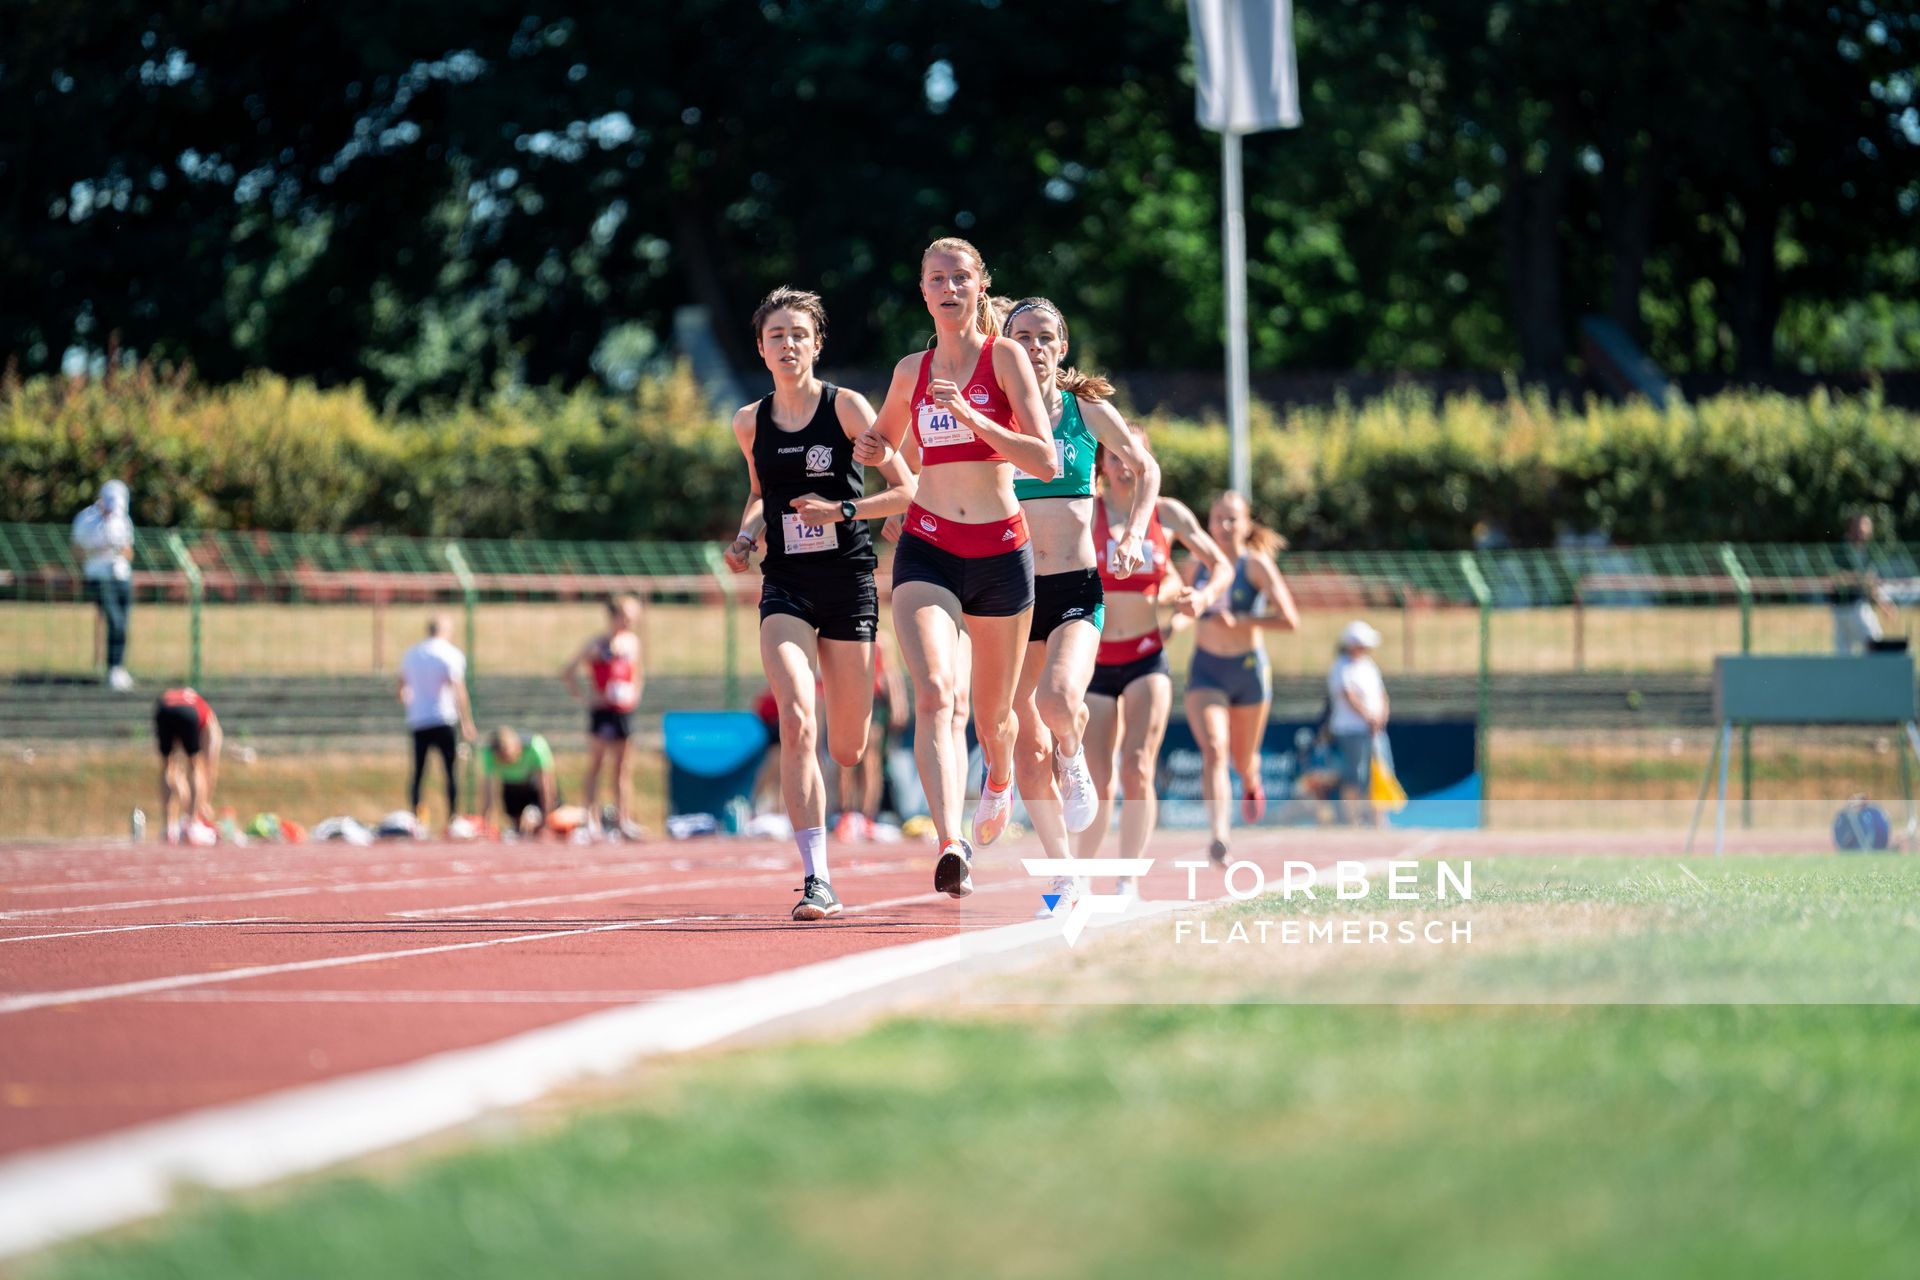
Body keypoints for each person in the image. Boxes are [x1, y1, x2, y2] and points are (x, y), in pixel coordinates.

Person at [854, 237, 1055, 899]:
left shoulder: (1005, 359)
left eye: (960, 277)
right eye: (935, 278)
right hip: (929, 547)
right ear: (923, 292)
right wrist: (880, 458)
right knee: (939, 694)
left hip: (1000, 552)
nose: (947, 287)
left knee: (997, 717)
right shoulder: (911, 369)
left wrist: (971, 415)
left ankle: (998, 778)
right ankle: (951, 843)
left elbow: (1044, 461)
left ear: (978, 287)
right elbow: (880, 439)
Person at [722, 285, 915, 919]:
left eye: (798, 334)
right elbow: (760, 493)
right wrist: (750, 532)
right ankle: (817, 877)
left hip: (850, 581)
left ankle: (840, 811)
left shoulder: (849, 409)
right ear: (761, 347)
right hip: (786, 586)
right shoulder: (749, 421)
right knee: (798, 718)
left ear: (816, 343)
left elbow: (907, 490)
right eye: (776, 335)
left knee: (849, 745)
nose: (787, 345)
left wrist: (843, 510)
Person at [1001, 297, 1161, 914]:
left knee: (1058, 701)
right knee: (1024, 744)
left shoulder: (1084, 410)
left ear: (1061, 347)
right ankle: (1064, 872)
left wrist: (1131, 534)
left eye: (1046, 337)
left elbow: (1144, 468)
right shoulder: (995, 412)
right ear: (1008, 344)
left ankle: (1076, 759)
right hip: (1009, 593)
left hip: (1073, 587)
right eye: (1023, 337)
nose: (1035, 347)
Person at [1073, 426, 1233, 897]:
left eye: (1135, 455)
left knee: (1138, 766)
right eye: (1116, 455)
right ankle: (1079, 874)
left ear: (1148, 462)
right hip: (1096, 660)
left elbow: (1221, 565)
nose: (1125, 465)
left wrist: (1201, 597)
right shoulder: (1086, 512)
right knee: (1097, 777)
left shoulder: (1167, 513)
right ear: (1100, 463)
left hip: (1147, 658)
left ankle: (1127, 877)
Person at [1181, 490, 1301, 865]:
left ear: (1248, 525)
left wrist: (1243, 620)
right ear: (1209, 523)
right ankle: (1219, 836)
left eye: (1233, 519)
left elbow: (1289, 620)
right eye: (1218, 518)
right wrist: (1172, 621)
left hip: (1248, 671)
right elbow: (1182, 606)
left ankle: (1251, 782)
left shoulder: (1256, 566)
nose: (1225, 526)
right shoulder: (1196, 564)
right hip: (1206, 671)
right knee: (1214, 750)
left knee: (1242, 760)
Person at [562, 596, 646, 840]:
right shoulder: (597, 644)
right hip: (603, 711)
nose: (630, 623)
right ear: (615, 617)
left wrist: (635, 694)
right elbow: (568, 672)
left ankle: (623, 820)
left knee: (623, 768)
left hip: (624, 711)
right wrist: (588, 699)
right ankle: (591, 818)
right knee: (596, 765)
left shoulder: (632, 643)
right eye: (626, 618)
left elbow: (638, 672)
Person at [396, 616, 477, 826]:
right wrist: (466, 722)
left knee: (418, 773)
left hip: (418, 720)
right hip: (443, 718)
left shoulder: (412, 654)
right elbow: (459, 690)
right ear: (445, 631)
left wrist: (412, 704)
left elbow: (402, 689)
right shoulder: (450, 654)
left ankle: (416, 818)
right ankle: (451, 818)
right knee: (450, 772)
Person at [834, 630, 910, 842]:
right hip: (847, 698)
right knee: (845, 759)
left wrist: (898, 704)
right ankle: (848, 813)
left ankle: (868, 816)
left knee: (871, 759)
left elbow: (891, 672)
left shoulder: (882, 640)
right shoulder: (841, 633)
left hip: (873, 701)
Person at [71, 479, 136, 691]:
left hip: (120, 576)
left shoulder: (122, 520)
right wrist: (97, 549)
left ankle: (117, 667)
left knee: (123, 623)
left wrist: (117, 548)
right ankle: (112, 668)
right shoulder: (86, 519)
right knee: (115, 621)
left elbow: (129, 552)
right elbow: (76, 550)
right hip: (99, 576)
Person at [1329, 621, 1391, 826]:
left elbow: (1381, 694)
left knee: (1381, 772)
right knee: (1355, 775)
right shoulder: (1341, 667)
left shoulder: (1369, 666)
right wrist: (1368, 717)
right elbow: (1349, 695)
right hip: (1352, 731)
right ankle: (1352, 820)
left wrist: (1381, 716)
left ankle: (1378, 819)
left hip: (1375, 731)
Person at [153, 686, 222, 840]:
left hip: (163, 709)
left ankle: (169, 827)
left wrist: (188, 800)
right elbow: (208, 769)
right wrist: (203, 804)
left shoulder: (182, 697)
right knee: (196, 766)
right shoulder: (210, 722)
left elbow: (177, 775)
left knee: (168, 768)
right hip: (187, 714)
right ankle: (192, 824)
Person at [1830, 514, 1896, 654]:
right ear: (1851, 529)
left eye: (1867, 530)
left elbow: (1868, 582)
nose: (1864, 534)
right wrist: (1861, 579)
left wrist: (1882, 603)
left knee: (1846, 652)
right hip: (1850, 607)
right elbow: (1837, 577)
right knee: (1874, 644)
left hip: (1852, 607)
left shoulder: (1865, 551)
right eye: (1860, 530)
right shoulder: (1843, 549)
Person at [480, 726, 558, 836]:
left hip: (533, 788)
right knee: (519, 829)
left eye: (507, 756)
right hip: (511, 789)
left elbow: (546, 786)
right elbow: (487, 791)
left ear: (516, 745)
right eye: (501, 759)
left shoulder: (535, 746)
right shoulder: (489, 753)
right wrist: (485, 822)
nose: (506, 762)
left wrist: (546, 822)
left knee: (533, 820)